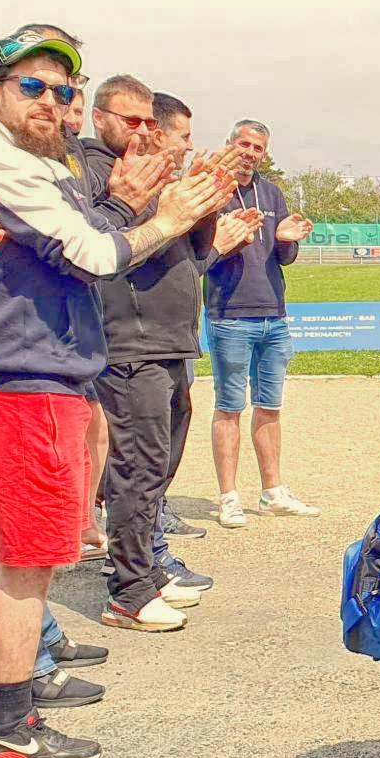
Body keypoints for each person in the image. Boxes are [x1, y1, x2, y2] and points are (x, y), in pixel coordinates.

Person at [0, 28, 232, 758]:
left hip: (35, 371)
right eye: (32, 87)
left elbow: (85, 236)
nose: (52, 102)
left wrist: (123, 203)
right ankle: (7, 732)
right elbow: (96, 255)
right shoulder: (0, 164)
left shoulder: (34, 161)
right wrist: (162, 216)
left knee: (19, 550)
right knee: (29, 561)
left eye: (64, 90)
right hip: (23, 378)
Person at [87, 77, 225, 632]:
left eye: (149, 121)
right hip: (129, 343)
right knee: (137, 468)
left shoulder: (152, 174)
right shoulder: (98, 175)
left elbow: (193, 256)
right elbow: (102, 249)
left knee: (156, 465)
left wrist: (204, 205)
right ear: (100, 118)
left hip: (170, 339)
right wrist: (143, 204)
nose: (142, 132)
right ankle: (129, 587)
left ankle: (147, 567)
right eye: (131, 120)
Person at [203, 120, 317, 529]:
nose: (250, 152)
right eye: (244, 143)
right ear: (229, 143)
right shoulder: (210, 190)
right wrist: (231, 239)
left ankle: (272, 492)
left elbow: (282, 258)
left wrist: (286, 239)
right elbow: (200, 256)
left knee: (270, 407)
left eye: (258, 147)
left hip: (274, 314)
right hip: (230, 314)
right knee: (229, 407)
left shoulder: (270, 193)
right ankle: (229, 496)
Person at [148, 91, 209, 542]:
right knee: (141, 445)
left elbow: (196, 258)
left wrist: (210, 216)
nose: (189, 146)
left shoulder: (171, 185)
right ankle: (138, 550)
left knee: (175, 418)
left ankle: (153, 522)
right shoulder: (135, 185)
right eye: (184, 136)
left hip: (176, 335)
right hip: (140, 339)